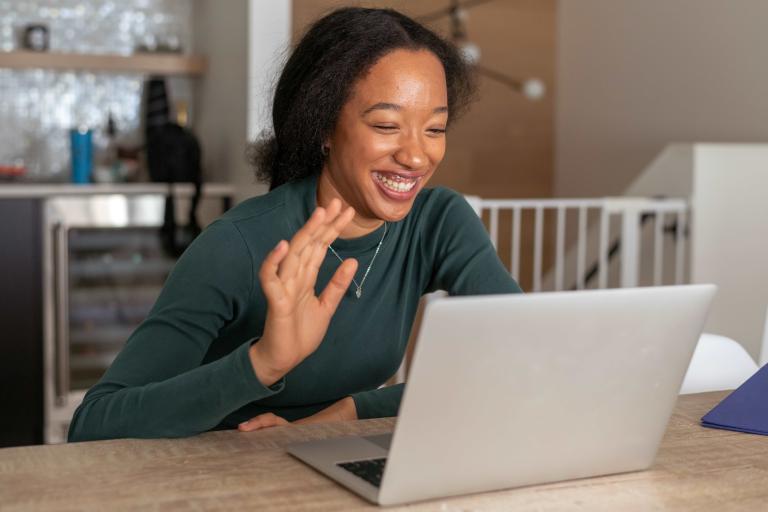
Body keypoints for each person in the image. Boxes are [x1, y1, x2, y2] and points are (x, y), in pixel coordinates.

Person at [68, 7, 522, 442]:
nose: (417, 156)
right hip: (221, 471)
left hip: (338, 455)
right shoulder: (239, 244)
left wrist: (347, 413)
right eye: (386, 125)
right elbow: (94, 423)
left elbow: (520, 358)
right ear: (324, 126)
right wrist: (262, 364)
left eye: (435, 129)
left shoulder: (438, 221)